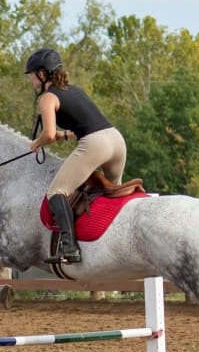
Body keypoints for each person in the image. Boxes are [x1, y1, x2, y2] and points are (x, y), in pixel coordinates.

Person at [26, 48, 127, 264]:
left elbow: (48, 134)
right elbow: (80, 125)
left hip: (95, 144)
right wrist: (63, 135)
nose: (31, 81)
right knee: (114, 194)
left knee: (56, 192)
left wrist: (36, 144)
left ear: (42, 74)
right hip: (116, 140)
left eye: (31, 75)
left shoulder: (47, 98)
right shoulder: (75, 90)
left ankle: (69, 248)